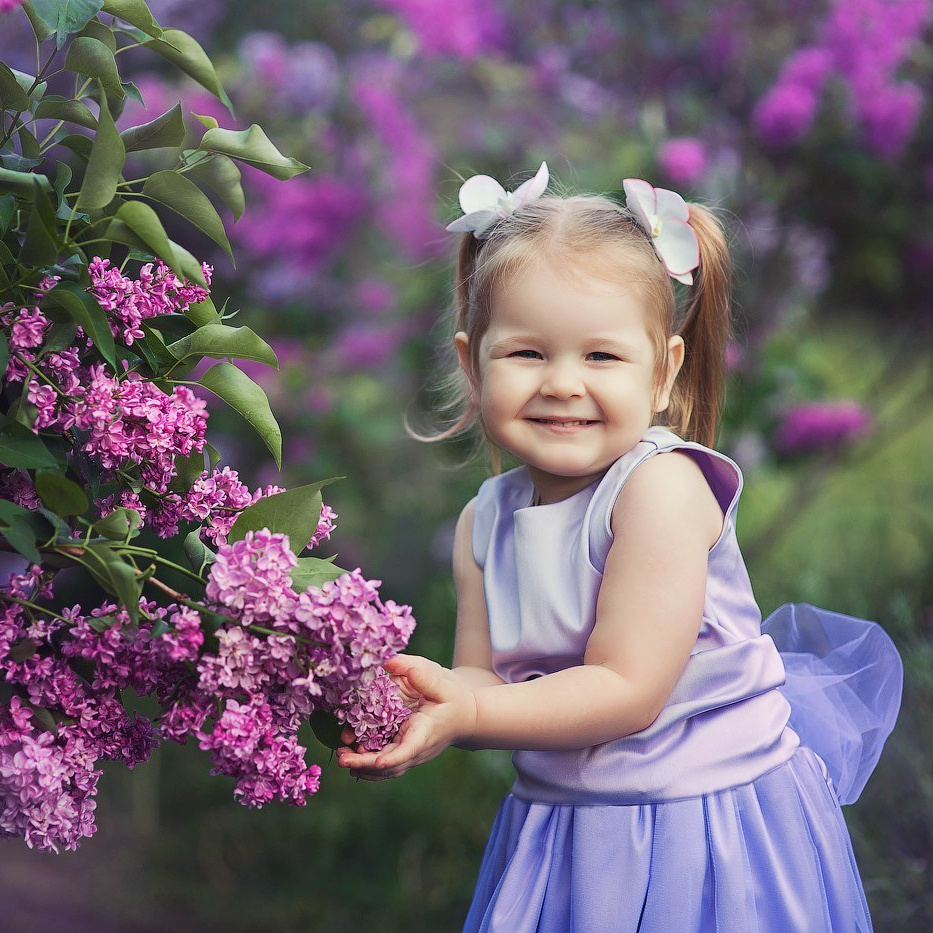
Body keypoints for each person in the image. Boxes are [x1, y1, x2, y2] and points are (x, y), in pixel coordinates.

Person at [336, 163, 903, 931]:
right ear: (472, 364)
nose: (562, 383)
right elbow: (485, 679)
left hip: (703, 826)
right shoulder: (483, 519)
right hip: (564, 827)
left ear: (663, 371)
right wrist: (419, 707)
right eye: (526, 354)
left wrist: (467, 706)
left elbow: (627, 688)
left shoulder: (659, 491)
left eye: (600, 356)